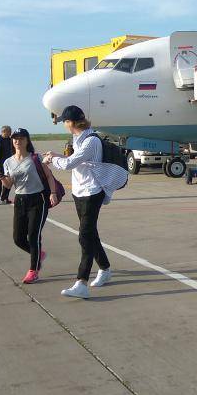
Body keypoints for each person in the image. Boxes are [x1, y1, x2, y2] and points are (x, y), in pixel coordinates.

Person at [43, 105, 127, 299]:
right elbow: (74, 160)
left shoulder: (91, 141)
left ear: (71, 122)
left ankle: (81, 282)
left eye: (64, 121)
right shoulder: (79, 138)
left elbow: (69, 164)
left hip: (92, 192)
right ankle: (105, 269)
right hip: (79, 192)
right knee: (90, 233)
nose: (63, 124)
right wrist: (56, 156)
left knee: (84, 236)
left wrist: (53, 160)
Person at [0, 128, 59, 283]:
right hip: (20, 200)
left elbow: (49, 176)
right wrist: (2, 179)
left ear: (27, 141)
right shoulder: (8, 162)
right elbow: (9, 185)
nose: (17, 141)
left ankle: (33, 270)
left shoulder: (35, 158)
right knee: (18, 238)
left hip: (38, 199)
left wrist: (53, 193)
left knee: (33, 236)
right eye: (15, 138)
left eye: (21, 138)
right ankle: (38, 254)